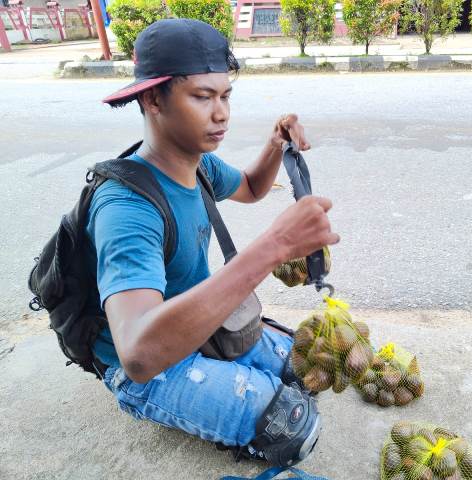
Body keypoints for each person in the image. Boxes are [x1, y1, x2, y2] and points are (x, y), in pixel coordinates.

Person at [90, 18, 339, 466]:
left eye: (226, 96)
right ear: (152, 98)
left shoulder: (197, 163)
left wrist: (274, 144)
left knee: (304, 370)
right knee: (292, 427)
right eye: (203, 97)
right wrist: (275, 246)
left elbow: (250, 187)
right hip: (148, 366)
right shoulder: (127, 207)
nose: (221, 113)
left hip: (198, 320)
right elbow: (139, 355)